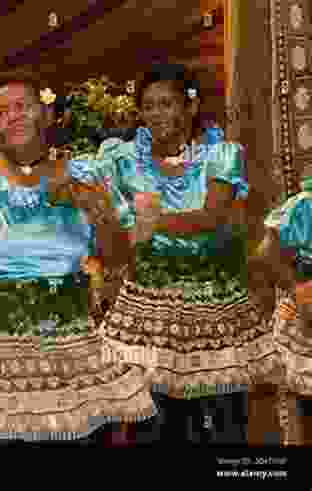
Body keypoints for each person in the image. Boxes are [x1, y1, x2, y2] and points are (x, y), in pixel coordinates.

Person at [66, 64, 280, 444]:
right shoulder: (122, 158)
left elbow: (213, 216)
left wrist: (149, 224)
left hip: (213, 306)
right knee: (154, 427)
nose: (157, 114)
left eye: (167, 104)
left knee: (223, 426)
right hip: (148, 308)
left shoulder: (221, 154)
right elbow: (79, 184)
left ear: (190, 107)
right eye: (149, 106)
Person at [0, 71, 156, 444]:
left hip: (68, 355)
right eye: (1, 112)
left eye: (23, 106)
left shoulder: (84, 175)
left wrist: (97, 207)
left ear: (47, 113)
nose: (14, 116)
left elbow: (120, 257)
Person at [251, 176, 312, 444]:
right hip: (302, 326)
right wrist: (298, 291)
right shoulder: (304, 206)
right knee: (298, 424)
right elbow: (265, 254)